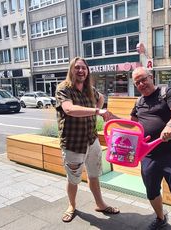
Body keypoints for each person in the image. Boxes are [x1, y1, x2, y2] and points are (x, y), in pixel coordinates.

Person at [110, 67, 171, 230]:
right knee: (151, 190)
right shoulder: (139, 102)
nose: (141, 84)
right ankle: (161, 218)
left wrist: (169, 125)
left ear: (151, 77)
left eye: (143, 79)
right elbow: (132, 124)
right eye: (137, 82)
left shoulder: (166, 92)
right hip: (148, 154)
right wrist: (112, 118)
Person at [55, 57, 120, 223]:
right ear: (71, 70)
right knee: (73, 179)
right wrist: (97, 111)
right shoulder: (63, 88)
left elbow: (101, 97)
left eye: (83, 68)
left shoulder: (89, 89)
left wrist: (98, 107)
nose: (81, 71)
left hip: (92, 140)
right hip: (73, 143)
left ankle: (100, 204)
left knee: (94, 175)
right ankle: (72, 206)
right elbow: (69, 109)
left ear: (87, 71)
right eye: (77, 68)